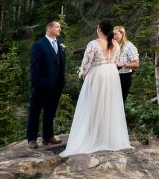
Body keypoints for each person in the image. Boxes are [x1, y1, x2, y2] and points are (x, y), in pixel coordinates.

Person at [60, 20, 131, 156]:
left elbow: (86, 63)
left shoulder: (93, 44)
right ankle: (107, 137)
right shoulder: (116, 43)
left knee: (93, 105)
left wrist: (83, 75)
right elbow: (116, 61)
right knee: (109, 105)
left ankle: (92, 137)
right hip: (112, 74)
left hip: (98, 75)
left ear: (99, 30)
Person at [27, 20, 66, 149]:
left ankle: (48, 137)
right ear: (49, 28)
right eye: (57, 27)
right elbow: (34, 67)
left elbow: (60, 64)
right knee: (35, 111)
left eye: (59, 27)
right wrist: (35, 85)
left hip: (56, 85)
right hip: (41, 85)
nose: (59, 29)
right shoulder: (39, 45)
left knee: (50, 111)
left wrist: (61, 82)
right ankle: (32, 139)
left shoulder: (60, 44)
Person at [113, 26, 140, 103]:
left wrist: (123, 64)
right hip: (112, 76)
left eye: (116, 34)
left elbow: (136, 64)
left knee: (120, 102)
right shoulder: (112, 46)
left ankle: (121, 115)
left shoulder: (129, 46)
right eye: (112, 34)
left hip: (124, 77)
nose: (114, 36)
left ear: (122, 34)